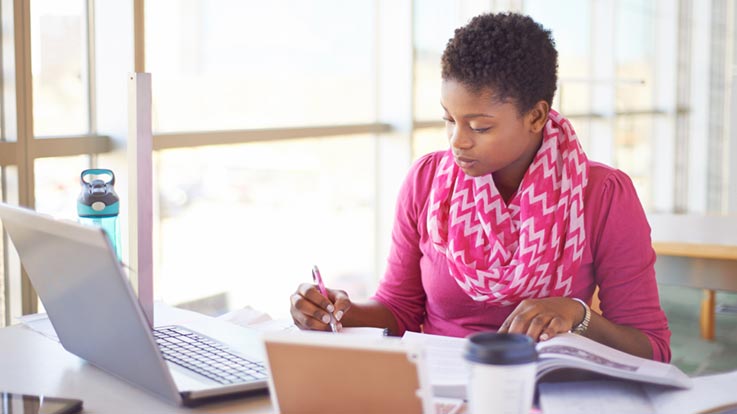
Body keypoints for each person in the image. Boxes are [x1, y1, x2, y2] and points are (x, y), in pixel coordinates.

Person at [290, 12, 671, 362]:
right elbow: (400, 310)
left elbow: (651, 348)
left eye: (479, 127)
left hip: (547, 391)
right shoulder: (426, 183)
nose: (458, 141)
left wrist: (576, 314)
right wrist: (338, 311)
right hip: (440, 386)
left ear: (536, 116)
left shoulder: (601, 194)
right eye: (449, 120)